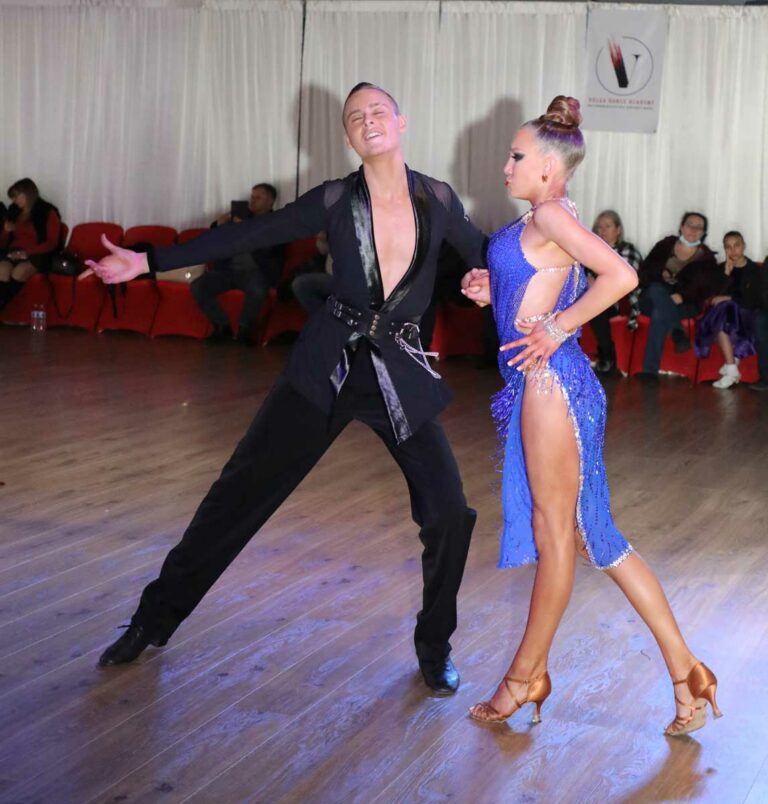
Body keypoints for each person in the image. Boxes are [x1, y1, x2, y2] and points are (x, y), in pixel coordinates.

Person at [81, 82, 486, 695]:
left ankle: (435, 645)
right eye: (356, 117)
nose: (368, 121)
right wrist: (149, 261)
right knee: (237, 495)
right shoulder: (331, 200)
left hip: (398, 374)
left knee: (450, 513)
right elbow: (248, 235)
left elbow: (485, 254)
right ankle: (152, 621)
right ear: (349, 136)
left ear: (400, 122)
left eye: (378, 111)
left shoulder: (438, 198)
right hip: (326, 367)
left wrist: (490, 280)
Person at [461, 96, 720, 736]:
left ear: (551, 166)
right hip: (548, 388)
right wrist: (498, 289)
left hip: (552, 388)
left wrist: (556, 327)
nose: (506, 164)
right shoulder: (551, 216)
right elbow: (560, 279)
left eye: (517, 156)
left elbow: (621, 276)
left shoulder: (549, 212)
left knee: (562, 542)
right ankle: (688, 670)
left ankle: (524, 678)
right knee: (590, 538)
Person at [190, 182, 284, 345]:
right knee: (198, 286)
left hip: (256, 271)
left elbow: (270, 248)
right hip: (228, 270)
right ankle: (222, 326)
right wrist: (219, 225)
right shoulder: (241, 217)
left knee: (257, 289)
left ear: (270, 201)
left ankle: (245, 330)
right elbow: (214, 239)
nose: (252, 201)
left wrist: (244, 230)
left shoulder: (277, 222)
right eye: (252, 197)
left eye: (258, 198)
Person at [636, 212, 719, 380]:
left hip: (685, 305)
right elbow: (644, 272)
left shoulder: (707, 258)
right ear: (682, 226)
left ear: (703, 233)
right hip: (652, 298)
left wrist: (683, 296)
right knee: (656, 290)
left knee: (661, 312)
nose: (693, 229)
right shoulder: (665, 245)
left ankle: (650, 371)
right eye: (690, 224)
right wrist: (661, 273)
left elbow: (706, 288)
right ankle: (678, 332)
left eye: (698, 227)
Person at [694, 231, 758, 389]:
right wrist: (726, 275)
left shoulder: (754, 270)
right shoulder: (721, 269)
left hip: (746, 315)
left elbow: (752, 299)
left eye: (737, 245)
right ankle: (731, 367)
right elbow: (713, 296)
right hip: (724, 316)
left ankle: (731, 368)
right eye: (728, 247)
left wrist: (729, 298)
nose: (733, 250)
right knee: (723, 312)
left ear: (743, 246)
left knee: (726, 307)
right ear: (724, 250)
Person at [585, 210, 642, 373]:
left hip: (620, 301)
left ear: (618, 230)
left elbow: (623, 281)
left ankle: (607, 354)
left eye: (607, 226)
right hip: (594, 297)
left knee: (595, 305)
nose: (602, 230)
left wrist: (596, 282)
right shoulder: (590, 250)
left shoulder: (627, 251)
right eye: (599, 227)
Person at [0, 178, 63, 310]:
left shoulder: (47, 211)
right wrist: (6, 231)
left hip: (38, 252)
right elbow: (3, 243)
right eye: (13, 198)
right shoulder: (13, 211)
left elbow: (52, 242)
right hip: (14, 251)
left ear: (29, 194)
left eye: (18, 197)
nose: (15, 201)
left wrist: (27, 253)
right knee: (2, 269)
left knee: (19, 272)